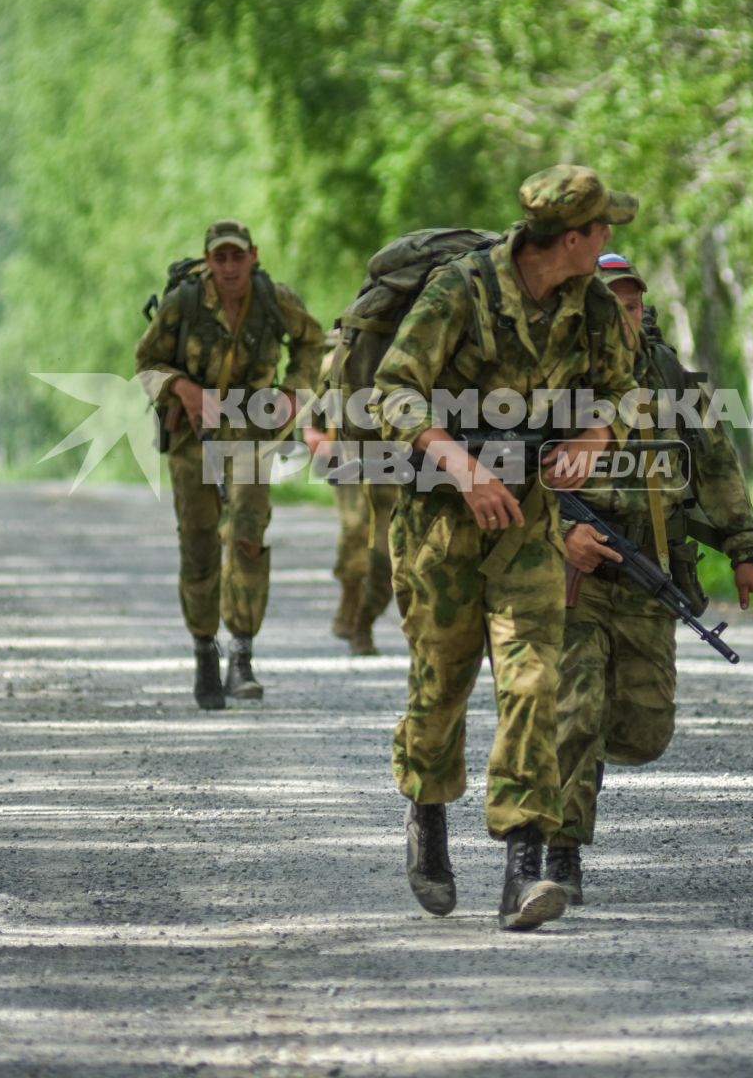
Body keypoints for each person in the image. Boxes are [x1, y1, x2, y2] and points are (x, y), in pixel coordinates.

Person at [372, 165, 638, 931]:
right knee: (441, 686)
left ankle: (524, 865)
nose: (612, 239)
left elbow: (625, 389)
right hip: (441, 519)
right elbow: (393, 388)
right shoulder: (462, 289)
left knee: (532, 680)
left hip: (527, 518)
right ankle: (426, 813)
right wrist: (461, 467)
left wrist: (594, 432)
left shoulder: (589, 304)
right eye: (603, 228)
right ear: (574, 237)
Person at [550, 252, 753, 905]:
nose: (625, 311)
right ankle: (558, 851)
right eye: (610, 300)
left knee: (645, 731)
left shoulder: (668, 375)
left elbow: (717, 463)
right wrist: (560, 534)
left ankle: (571, 768)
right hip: (572, 572)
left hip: (649, 570)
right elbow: (504, 466)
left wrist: (745, 549)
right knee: (576, 711)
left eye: (634, 301)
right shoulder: (551, 373)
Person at [135, 219, 324, 709]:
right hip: (193, 434)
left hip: (252, 432)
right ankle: (204, 651)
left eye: (237, 256)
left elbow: (312, 342)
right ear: (209, 262)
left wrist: (293, 391)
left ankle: (242, 654)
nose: (230, 266)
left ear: (253, 256)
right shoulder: (185, 304)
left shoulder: (272, 299)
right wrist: (183, 388)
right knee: (198, 543)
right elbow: (146, 365)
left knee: (247, 535)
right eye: (220, 258)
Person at [302, 345, 397, 656]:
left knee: (388, 552)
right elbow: (309, 400)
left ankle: (364, 619)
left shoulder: (421, 342)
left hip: (401, 462)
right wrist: (310, 433)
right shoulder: (343, 353)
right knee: (356, 531)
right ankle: (352, 601)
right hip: (349, 454)